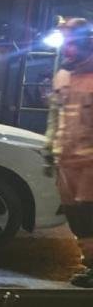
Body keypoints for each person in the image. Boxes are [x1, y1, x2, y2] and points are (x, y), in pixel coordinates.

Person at [46, 18, 93, 287]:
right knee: (75, 216)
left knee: (89, 213)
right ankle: (90, 265)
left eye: (73, 43)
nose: (68, 50)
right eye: (66, 44)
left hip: (90, 163)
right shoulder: (62, 75)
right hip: (67, 161)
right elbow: (55, 114)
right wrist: (49, 146)